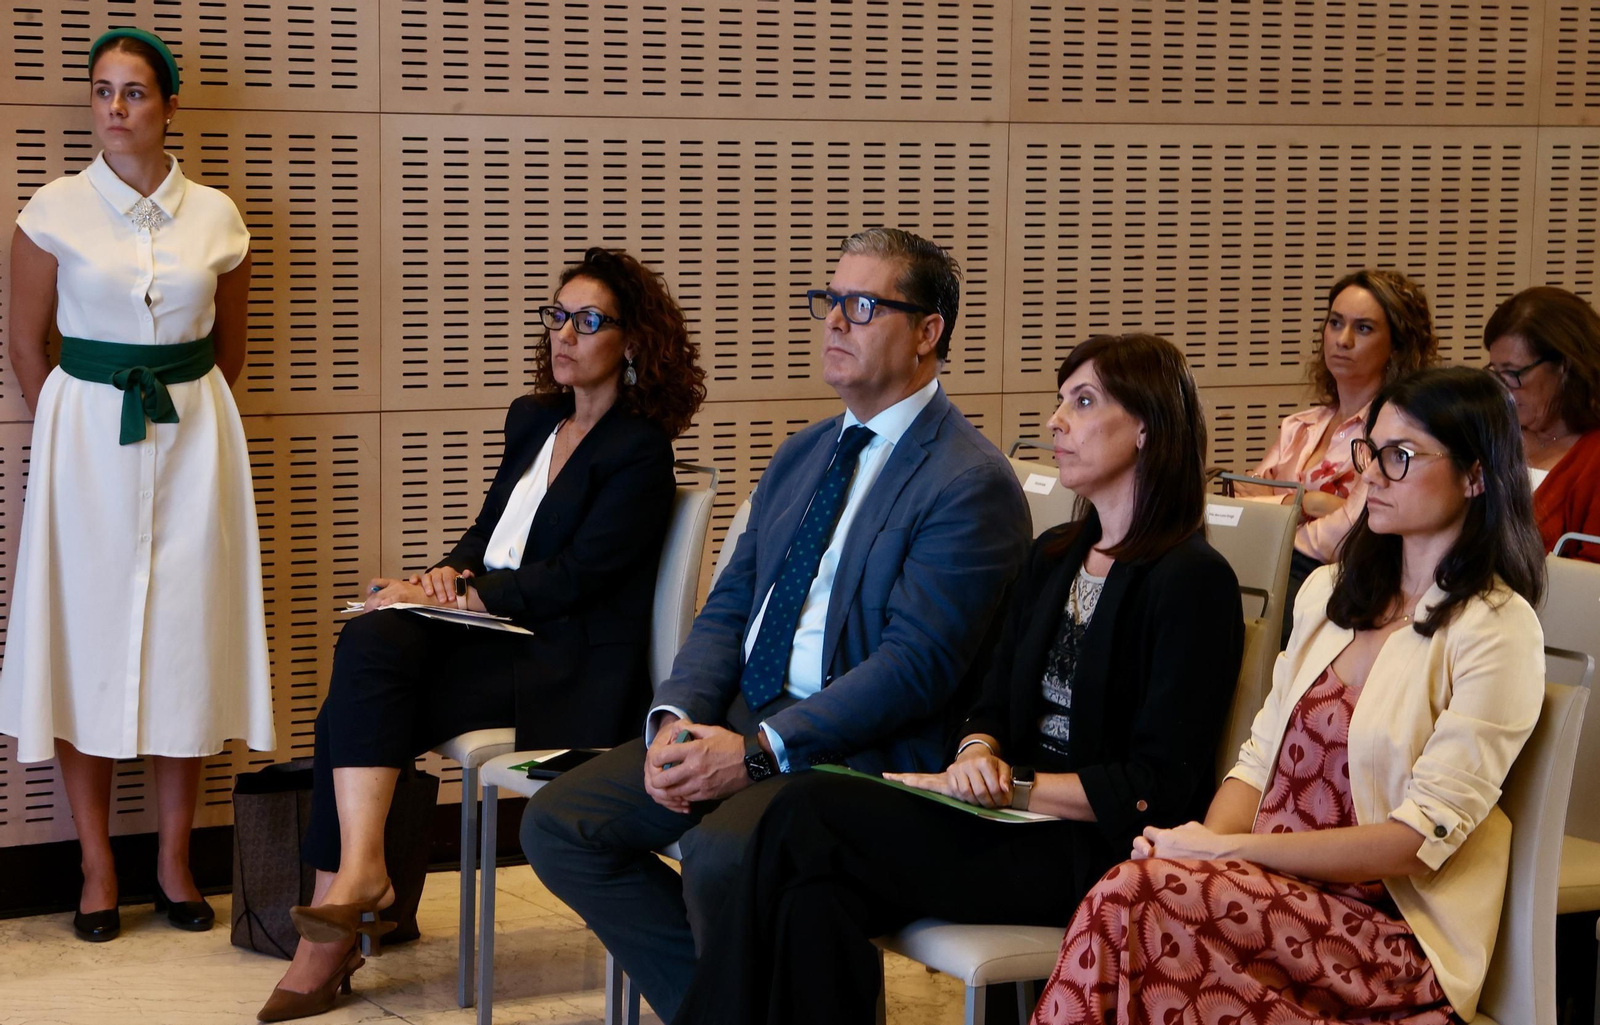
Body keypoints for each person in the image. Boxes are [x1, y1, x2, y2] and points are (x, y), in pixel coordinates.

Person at [521, 227, 1032, 1022]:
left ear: (928, 333)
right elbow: (729, 607)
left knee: (727, 852)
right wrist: (677, 718)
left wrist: (760, 752)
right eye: (830, 300)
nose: (834, 321)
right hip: (742, 720)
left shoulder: (969, 481)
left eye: (862, 306)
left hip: (853, 754)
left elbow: (914, 668)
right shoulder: (803, 453)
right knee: (563, 822)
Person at [670, 334, 1246, 1025]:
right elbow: (990, 700)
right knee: (809, 897)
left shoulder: (1192, 580)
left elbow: (1162, 784)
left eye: (1084, 402)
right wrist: (978, 750)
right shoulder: (1057, 554)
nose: (1057, 421)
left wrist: (1011, 787)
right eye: (1059, 400)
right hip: (1005, 818)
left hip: (1090, 849)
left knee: (805, 810)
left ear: (1148, 428)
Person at [255, 246, 706, 1022]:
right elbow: (485, 534)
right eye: (557, 315)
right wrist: (436, 578)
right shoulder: (533, 419)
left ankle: (338, 920)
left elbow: (578, 579)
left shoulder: (639, 450)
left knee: (358, 694)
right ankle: (362, 881)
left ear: (632, 342)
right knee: (373, 635)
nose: (565, 333)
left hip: (566, 662)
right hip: (499, 633)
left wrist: (468, 593)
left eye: (589, 320)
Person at [1033, 365, 1547, 1025]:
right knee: (1143, 894)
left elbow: (1416, 840)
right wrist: (1198, 846)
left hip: (1381, 934)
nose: (1372, 476)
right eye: (1371, 452)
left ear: (1476, 475)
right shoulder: (1331, 593)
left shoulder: (1495, 628)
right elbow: (1258, 758)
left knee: (1131, 900)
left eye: (1402, 457)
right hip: (1269, 895)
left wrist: (1229, 853)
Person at [0, 28, 272, 943]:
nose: (116, 109)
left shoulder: (218, 216)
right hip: (86, 452)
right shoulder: (52, 209)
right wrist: (74, 435)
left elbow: (227, 353)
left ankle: (174, 859)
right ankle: (95, 864)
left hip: (195, 444)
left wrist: (186, 426)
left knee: (183, 644)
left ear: (168, 107)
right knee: (84, 642)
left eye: (136, 93)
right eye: (103, 91)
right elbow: (28, 348)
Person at [1235, 269, 1437, 644]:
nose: (1342, 340)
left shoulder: (1399, 434)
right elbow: (1243, 503)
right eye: (1335, 323)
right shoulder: (1300, 426)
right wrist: (1309, 502)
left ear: (1396, 345)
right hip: (1273, 569)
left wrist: (1280, 509)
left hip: (1344, 583)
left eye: (1363, 329)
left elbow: (1350, 535)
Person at [1484, 286, 1600, 562]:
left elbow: (1589, 583)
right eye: (1496, 372)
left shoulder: (1593, 456)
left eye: (1513, 373)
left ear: (1565, 365)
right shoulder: (1492, 433)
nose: (1504, 388)